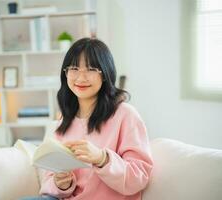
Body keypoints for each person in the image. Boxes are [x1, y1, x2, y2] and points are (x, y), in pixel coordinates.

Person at [22, 38, 153, 200]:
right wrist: (60, 184)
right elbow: (49, 180)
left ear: (105, 74)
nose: (81, 78)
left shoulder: (126, 115)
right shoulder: (65, 119)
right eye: (74, 68)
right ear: (66, 73)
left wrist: (102, 158)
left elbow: (139, 178)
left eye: (91, 69)